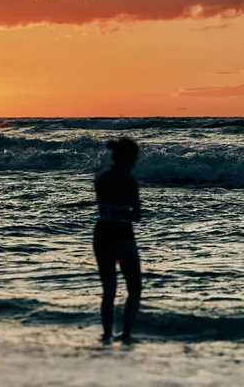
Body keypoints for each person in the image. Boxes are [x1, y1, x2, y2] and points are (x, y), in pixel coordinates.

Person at [94, 138, 141, 344]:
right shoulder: (130, 181)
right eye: (134, 158)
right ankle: (126, 334)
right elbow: (136, 213)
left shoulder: (101, 179)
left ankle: (106, 335)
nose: (135, 163)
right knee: (134, 287)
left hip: (102, 232)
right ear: (127, 157)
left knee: (109, 290)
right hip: (122, 232)